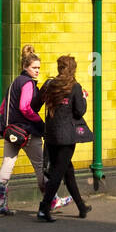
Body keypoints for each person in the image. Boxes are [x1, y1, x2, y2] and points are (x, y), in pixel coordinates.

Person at [0, 45, 71, 216]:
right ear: (25, 67)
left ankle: (1, 205)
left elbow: (2, 109)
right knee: (39, 167)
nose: (37, 71)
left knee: (7, 164)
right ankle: (52, 200)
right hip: (28, 132)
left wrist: (12, 123)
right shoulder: (28, 83)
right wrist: (40, 122)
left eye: (38, 68)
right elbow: (25, 107)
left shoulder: (15, 82)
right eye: (34, 68)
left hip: (12, 132)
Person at [36, 55, 91, 222]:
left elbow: (36, 103)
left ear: (59, 68)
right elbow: (79, 111)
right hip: (67, 137)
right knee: (58, 174)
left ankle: (81, 206)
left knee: (68, 171)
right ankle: (44, 208)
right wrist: (84, 98)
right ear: (73, 69)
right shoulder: (75, 87)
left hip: (51, 135)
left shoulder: (49, 84)